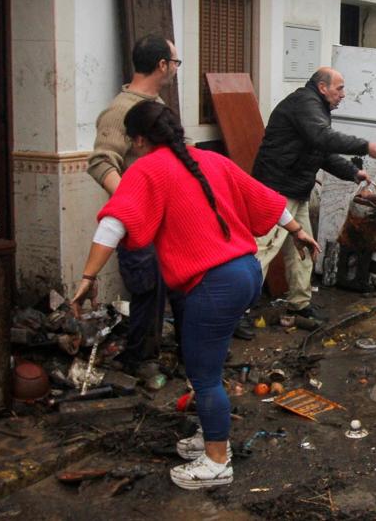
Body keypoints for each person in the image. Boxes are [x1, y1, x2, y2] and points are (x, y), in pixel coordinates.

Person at [70, 101, 320, 489]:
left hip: (214, 282)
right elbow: (263, 197)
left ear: (138, 139)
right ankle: (209, 436)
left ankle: (218, 461)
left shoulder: (146, 169)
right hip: (244, 272)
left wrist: (88, 276)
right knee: (203, 362)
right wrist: (297, 230)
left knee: (204, 376)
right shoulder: (209, 159)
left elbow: (115, 223)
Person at [251, 68, 376, 320]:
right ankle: (237, 312)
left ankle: (299, 305)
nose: (344, 94)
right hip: (277, 190)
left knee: (303, 250)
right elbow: (322, 138)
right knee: (263, 251)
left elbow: (321, 152)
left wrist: (353, 172)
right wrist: (366, 146)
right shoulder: (306, 103)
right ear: (322, 87)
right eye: (339, 88)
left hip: (296, 188)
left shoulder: (317, 108)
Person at [85, 34, 180, 372]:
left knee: (173, 289)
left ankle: (172, 353)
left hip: (167, 222)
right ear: (162, 65)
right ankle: (138, 361)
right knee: (147, 292)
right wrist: (133, 203)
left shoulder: (157, 108)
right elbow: (100, 162)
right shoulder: (120, 111)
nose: (175, 70)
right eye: (175, 63)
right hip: (141, 225)